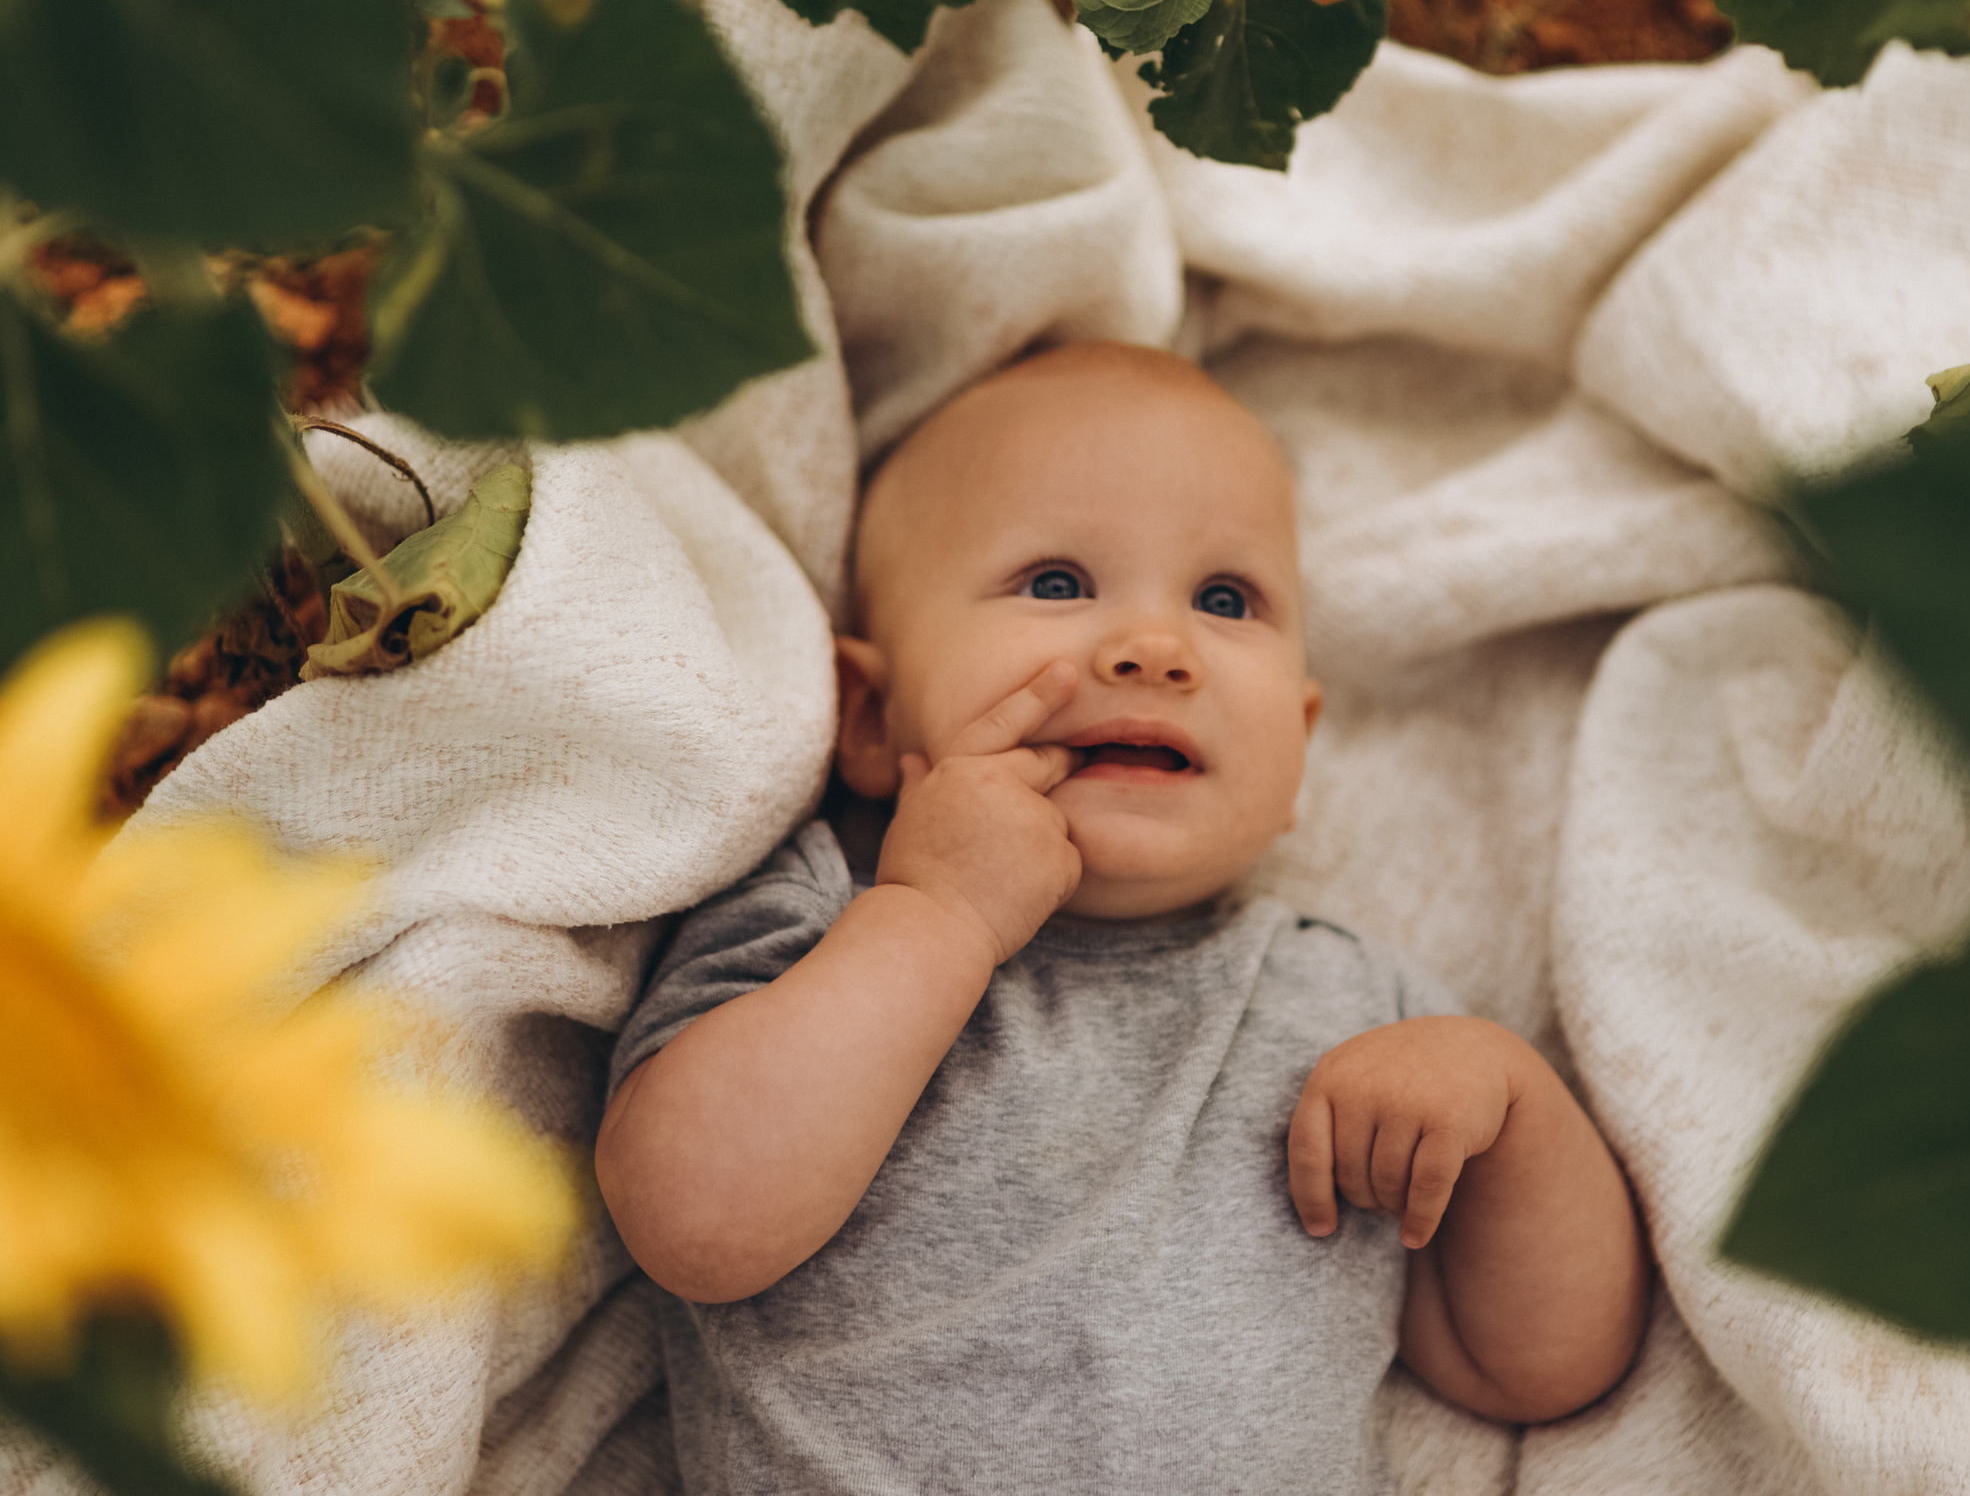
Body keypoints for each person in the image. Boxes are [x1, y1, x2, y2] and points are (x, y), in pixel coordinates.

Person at [595, 342, 1649, 1494]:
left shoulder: (1357, 1014)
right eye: (1055, 583)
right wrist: (936, 912)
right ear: (867, 714)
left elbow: (1545, 1369)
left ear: (1297, 747)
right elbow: (691, 1224)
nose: (1154, 649)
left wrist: (1513, 1106)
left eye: (1224, 600)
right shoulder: (815, 925)